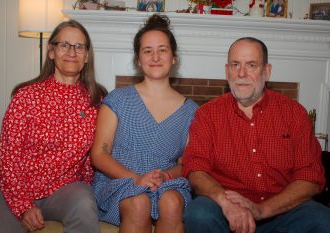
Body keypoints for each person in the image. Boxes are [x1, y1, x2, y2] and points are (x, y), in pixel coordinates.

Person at [182, 37, 330, 233]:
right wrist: (226, 203)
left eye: (251, 65)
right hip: (226, 210)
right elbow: (195, 168)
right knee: (198, 213)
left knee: (322, 219)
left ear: (267, 71)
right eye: (235, 65)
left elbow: (310, 176)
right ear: (227, 71)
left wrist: (262, 210)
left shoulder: (294, 114)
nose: (242, 73)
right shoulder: (207, 114)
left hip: (282, 211)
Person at [0, 20, 107, 233]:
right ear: (51, 51)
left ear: (87, 56)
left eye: (79, 46)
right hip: (15, 189)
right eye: (64, 45)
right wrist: (23, 206)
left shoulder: (98, 100)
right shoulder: (25, 96)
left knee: (85, 204)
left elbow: (95, 157)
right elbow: (8, 156)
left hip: (65, 190)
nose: (71, 52)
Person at [91, 14, 198, 233]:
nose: (155, 57)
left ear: (174, 57)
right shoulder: (118, 99)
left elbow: (187, 162)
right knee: (139, 201)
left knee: (172, 202)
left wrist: (167, 176)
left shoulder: (191, 111)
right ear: (138, 60)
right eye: (147, 51)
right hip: (120, 179)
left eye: (162, 50)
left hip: (165, 182)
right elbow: (99, 154)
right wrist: (137, 178)